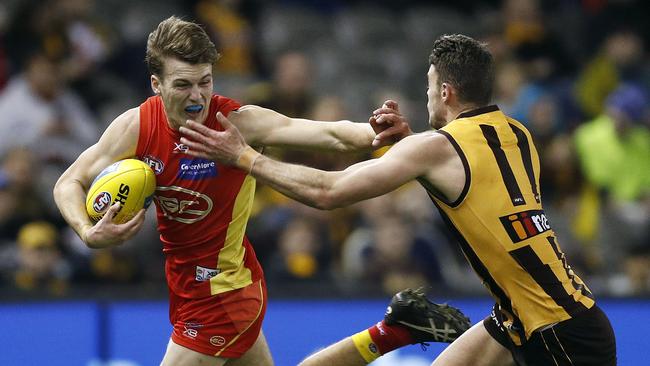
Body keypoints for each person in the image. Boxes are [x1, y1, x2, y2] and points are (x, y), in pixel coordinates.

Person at [180, 34, 617, 366]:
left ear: (445, 92)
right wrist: (412, 149)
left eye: (429, 86)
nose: (426, 94)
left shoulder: (436, 149)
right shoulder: (518, 135)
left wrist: (242, 156)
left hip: (557, 335)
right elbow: (481, 191)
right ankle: (389, 335)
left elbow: (326, 191)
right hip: (541, 316)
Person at [52, 16, 418, 366]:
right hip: (185, 291)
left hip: (226, 294)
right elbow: (68, 181)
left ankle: (391, 332)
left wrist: (374, 131)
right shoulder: (135, 127)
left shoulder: (236, 122)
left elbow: (328, 134)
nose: (198, 97)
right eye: (183, 85)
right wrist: (87, 231)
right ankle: (389, 333)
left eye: (205, 82)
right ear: (156, 84)